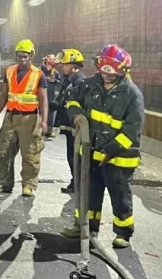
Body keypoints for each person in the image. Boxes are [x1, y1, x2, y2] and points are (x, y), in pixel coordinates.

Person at [60, 44, 144, 249]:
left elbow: (131, 132)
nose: (106, 77)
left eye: (111, 73)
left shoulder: (132, 95)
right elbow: (71, 100)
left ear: (123, 70)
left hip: (118, 157)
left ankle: (123, 232)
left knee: (119, 194)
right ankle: (86, 228)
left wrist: (110, 150)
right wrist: (77, 115)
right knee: (89, 193)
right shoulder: (90, 85)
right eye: (103, 71)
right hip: (91, 153)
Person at [0, 39, 49, 197]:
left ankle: (28, 185)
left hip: (29, 120)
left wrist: (44, 121)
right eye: (20, 56)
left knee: (30, 154)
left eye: (25, 57)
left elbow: (43, 99)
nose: (22, 60)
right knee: (3, 152)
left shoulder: (38, 75)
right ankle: (4, 183)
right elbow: (4, 94)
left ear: (31, 56)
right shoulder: (9, 72)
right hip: (10, 117)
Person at [53, 49, 87, 193]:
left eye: (65, 65)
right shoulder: (69, 80)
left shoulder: (79, 82)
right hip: (68, 125)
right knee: (71, 156)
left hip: (75, 127)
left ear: (75, 66)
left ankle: (78, 184)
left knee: (75, 157)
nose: (63, 67)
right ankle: (76, 182)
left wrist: (76, 126)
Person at [40, 54, 61, 138]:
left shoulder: (55, 72)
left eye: (51, 65)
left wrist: (54, 80)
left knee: (50, 112)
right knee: (41, 110)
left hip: (50, 94)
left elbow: (60, 81)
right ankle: (40, 128)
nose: (50, 66)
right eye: (49, 64)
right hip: (41, 94)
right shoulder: (40, 70)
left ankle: (49, 130)